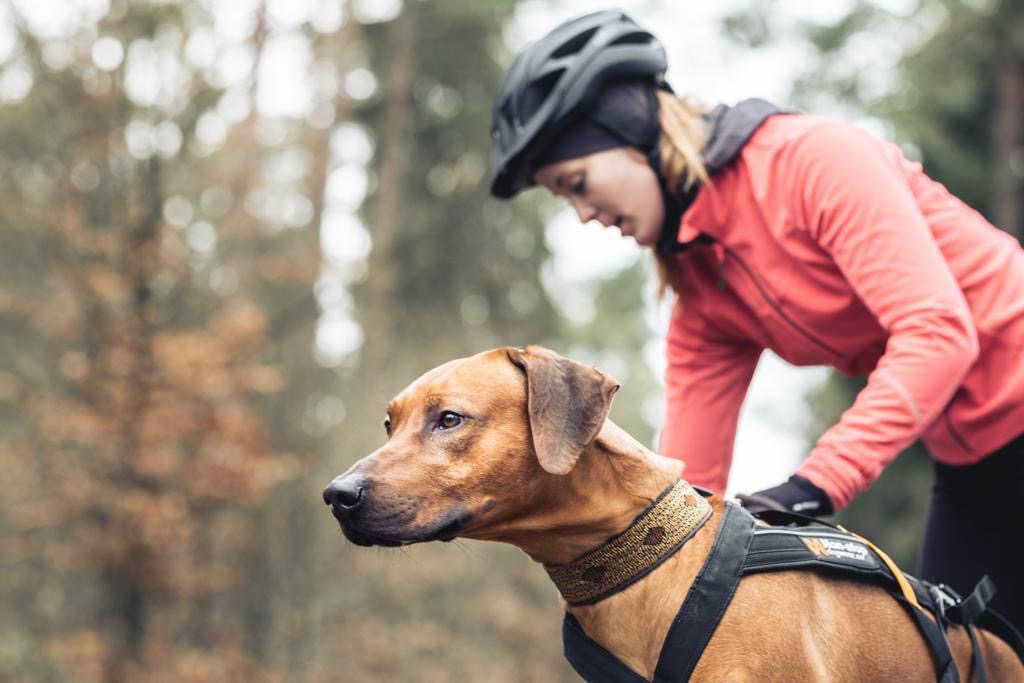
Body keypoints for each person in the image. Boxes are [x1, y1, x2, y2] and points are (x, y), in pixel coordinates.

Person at [488, 9, 1024, 628]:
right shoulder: (704, 294)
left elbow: (938, 332)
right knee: (958, 660)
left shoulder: (810, 160)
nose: (584, 214)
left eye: (577, 182)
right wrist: (620, 576)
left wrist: (812, 486)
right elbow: (687, 495)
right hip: (971, 465)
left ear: (632, 131)